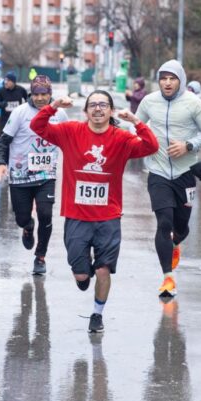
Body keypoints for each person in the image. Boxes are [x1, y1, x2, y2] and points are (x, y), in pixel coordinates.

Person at [30, 90, 158, 333]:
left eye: (103, 105)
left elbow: (151, 146)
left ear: (111, 111)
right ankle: (82, 274)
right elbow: (38, 125)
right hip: (77, 216)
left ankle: (97, 315)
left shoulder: (121, 138)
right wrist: (54, 105)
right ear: (86, 110)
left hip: (108, 217)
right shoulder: (70, 131)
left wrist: (136, 123)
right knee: (81, 274)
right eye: (93, 105)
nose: (98, 109)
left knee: (103, 269)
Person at [136, 60, 201, 299]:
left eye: (172, 78)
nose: (167, 83)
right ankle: (167, 278)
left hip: (185, 173)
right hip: (157, 172)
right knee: (164, 223)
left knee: (180, 226)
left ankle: (176, 242)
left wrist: (189, 145)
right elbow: (135, 126)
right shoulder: (149, 101)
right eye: (163, 78)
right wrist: (138, 143)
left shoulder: (193, 103)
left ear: (181, 80)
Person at [0, 75, 68, 274]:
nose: (41, 98)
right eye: (36, 94)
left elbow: (70, 140)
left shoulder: (59, 114)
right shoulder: (20, 113)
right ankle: (27, 226)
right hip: (20, 176)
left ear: (50, 94)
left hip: (46, 175)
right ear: (31, 94)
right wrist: (0, 163)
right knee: (21, 218)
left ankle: (40, 256)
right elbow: (3, 141)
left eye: (44, 94)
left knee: (45, 214)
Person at [0, 71, 28, 136]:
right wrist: (2, 104)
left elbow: (28, 100)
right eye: (5, 80)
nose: (6, 82)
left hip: (17, 119)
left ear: (13, 82)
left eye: (8, 81)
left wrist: (24, 108)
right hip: (5, 120)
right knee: (3, 139)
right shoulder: (1, 90)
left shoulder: (21, 90)